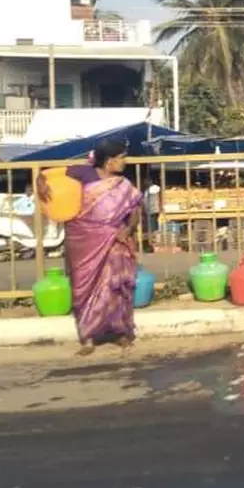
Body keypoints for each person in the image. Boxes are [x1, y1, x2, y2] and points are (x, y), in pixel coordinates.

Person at [39, 138, 143, 356]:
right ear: (109, 161)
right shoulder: (83, 173)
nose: (125, 162)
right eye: (121, 158)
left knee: (117, 283)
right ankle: (88, 337)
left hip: (114, 238)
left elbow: (135, 210)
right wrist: (41, 182)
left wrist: (129, 230)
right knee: (83, 287)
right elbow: (47, 174)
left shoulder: (123, 183)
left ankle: (121, 333)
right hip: (83, 239)